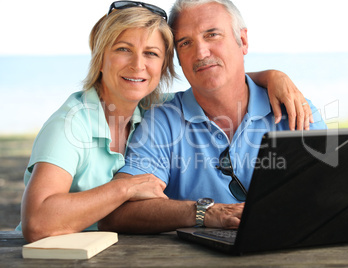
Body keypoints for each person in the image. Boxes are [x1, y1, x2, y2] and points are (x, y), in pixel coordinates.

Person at [17, 1, 312, 242]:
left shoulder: (146, 105)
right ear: (100, 54)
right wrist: (126, 188)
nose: (137, 65)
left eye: (151, 54)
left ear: (163, 65)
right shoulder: (71, 124)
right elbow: (38, 224)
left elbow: (216, 80)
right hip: (47, 255)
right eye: (123, 49)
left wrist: (273, 76)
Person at [98, 0, 327, 234]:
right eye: (185, 43)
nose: (201, 53)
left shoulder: (295, 110)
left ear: (243, 40)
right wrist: (204, 213)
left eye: (212, 35)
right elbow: (118, 214)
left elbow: (333, 192)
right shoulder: (162, 121)